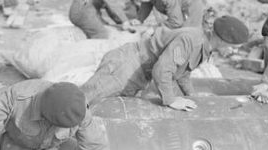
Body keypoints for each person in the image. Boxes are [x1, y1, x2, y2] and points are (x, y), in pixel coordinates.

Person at [80, 15, 250, 109]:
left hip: (138, 72)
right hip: (126, 65)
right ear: (224, 40)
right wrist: (171, 100)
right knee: (82, 102)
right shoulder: (191, 40)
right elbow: (162, 70)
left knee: (108, 107)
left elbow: (183, 72)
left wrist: (191, 96)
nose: (234, 51)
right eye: (234, 47)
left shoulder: (204, 46)